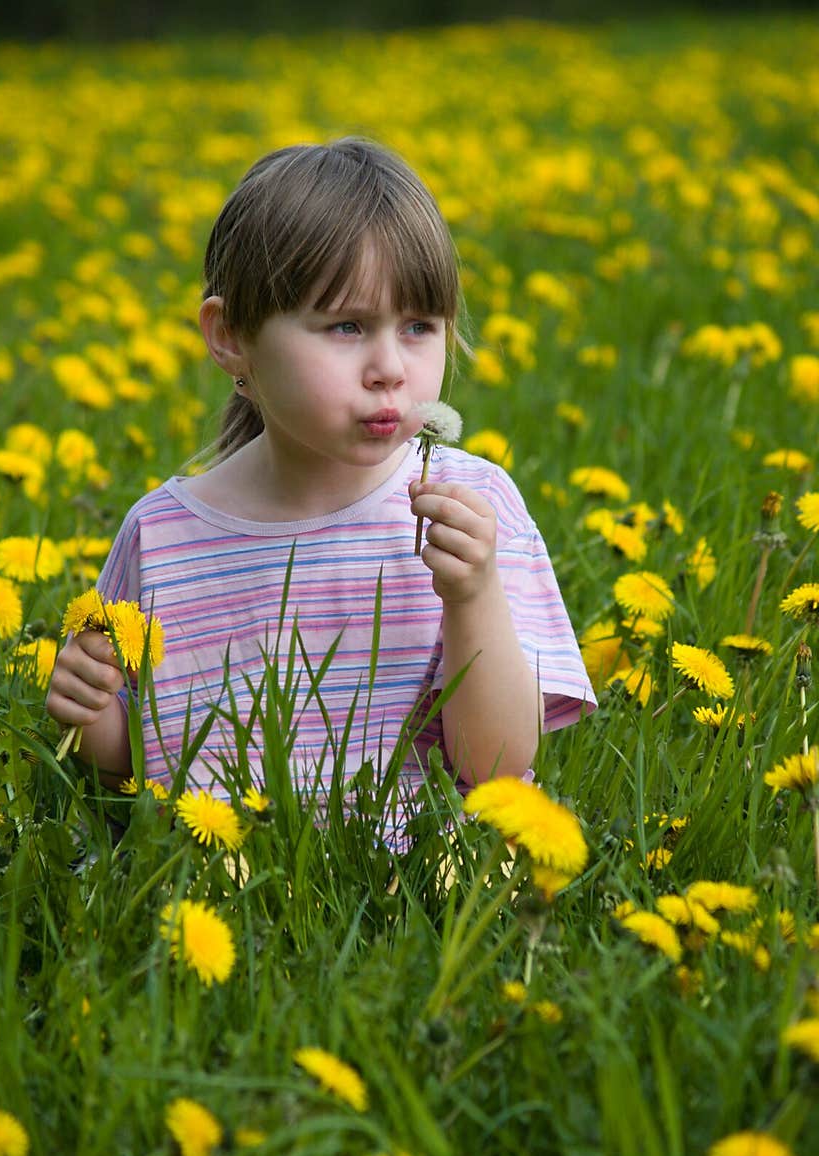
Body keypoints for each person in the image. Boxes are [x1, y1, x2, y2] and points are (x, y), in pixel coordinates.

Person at [45, 136, 596, 844]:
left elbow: (498, 763)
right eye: (347, 326)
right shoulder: (163, 537)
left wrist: (473, 595)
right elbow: (146, 766)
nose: (390, 367)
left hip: (432, 898)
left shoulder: (475, 509)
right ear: (231, 337)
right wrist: (90, 718)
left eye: (420, 326)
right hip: (232, 889)